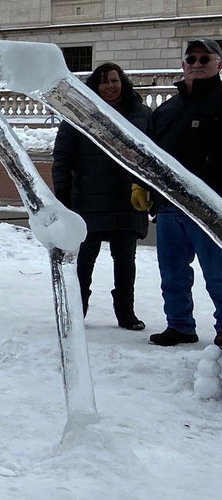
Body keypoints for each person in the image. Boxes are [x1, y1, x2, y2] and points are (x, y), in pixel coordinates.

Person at [51, 62, 152, 330]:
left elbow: (155, 156)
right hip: (88, 199)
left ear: (123, 83)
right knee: (84, 261)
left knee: (126, 260)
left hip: (129, 199)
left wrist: (151, 190)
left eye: (114, 81)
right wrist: (63, 193)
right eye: (104, 81)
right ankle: (76, 312)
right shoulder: (78, 114)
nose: (110, 86)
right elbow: (62, 157)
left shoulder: (142, 114)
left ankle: (126, 312)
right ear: (95, 86)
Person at [139, 38, 222, 347]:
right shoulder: (167, 109)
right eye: (192, 59)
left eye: (205, 59)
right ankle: (180, 325)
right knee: (172, 273)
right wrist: (142, 184)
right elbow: (149, 153)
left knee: (218, 273)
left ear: (219, 64)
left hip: (210, 205)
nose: (197, 64)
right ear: (183, 64)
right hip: (169, 205)